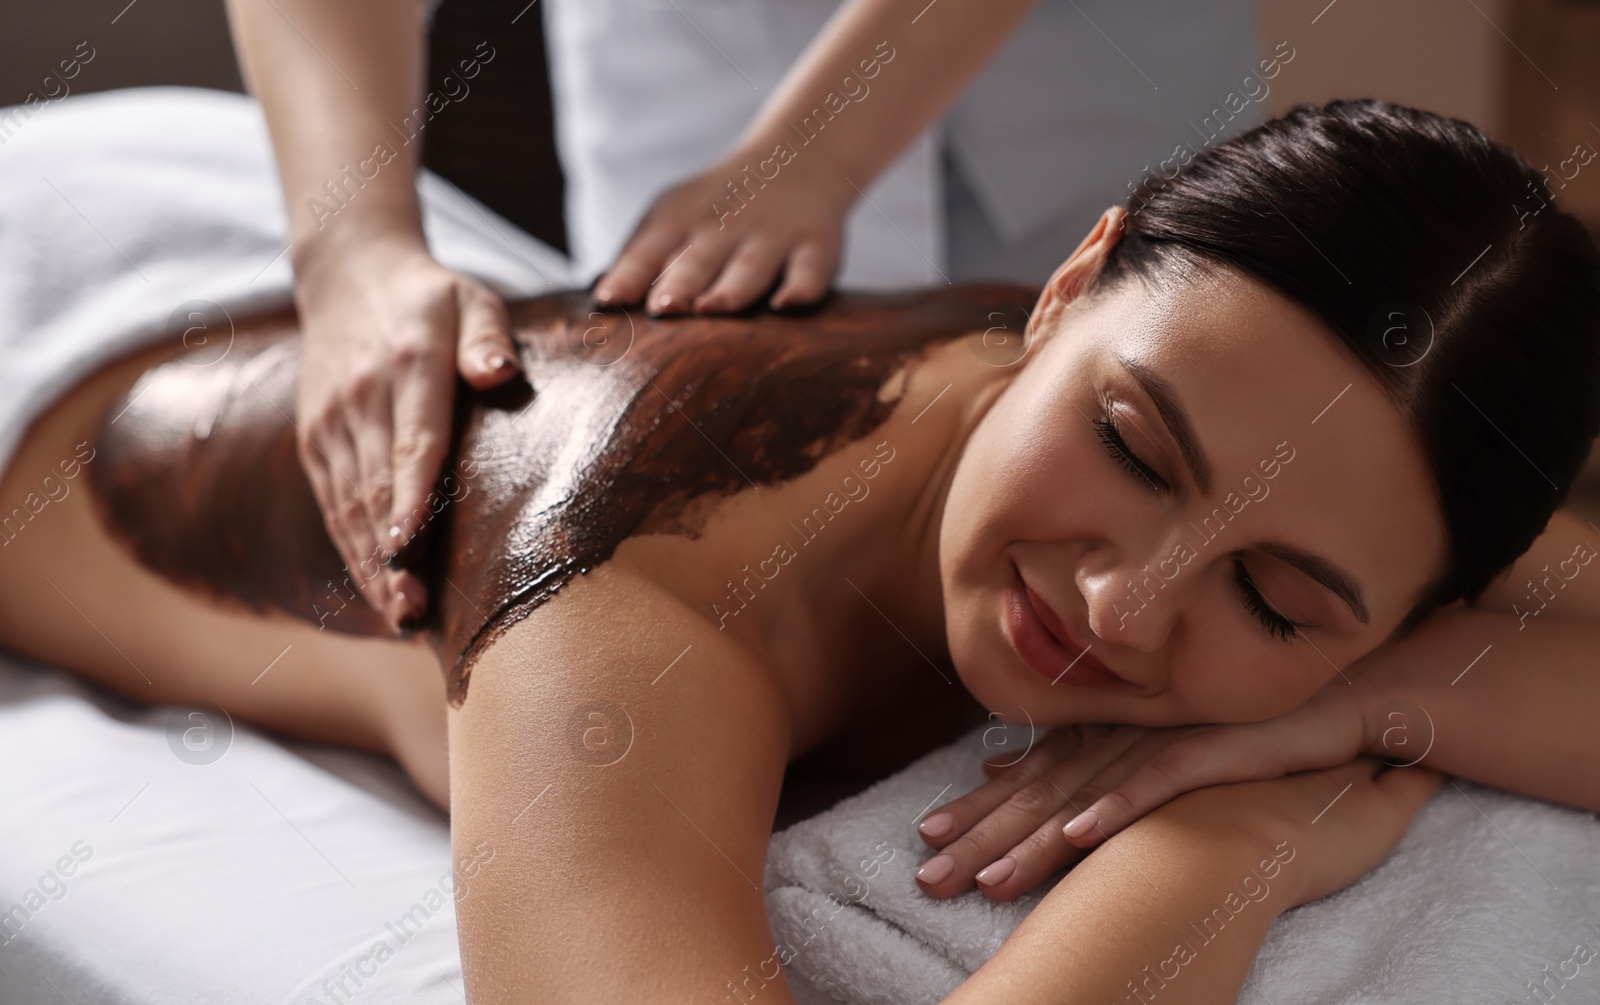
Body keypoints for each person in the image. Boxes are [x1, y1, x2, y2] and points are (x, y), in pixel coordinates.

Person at [4, 101, 1599, 1005]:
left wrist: (1386, 701)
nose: (1126, 604)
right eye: (1130, 444)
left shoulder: (1316, 438)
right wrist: (1226, 848)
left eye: (1278, 602)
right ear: (1070, 284)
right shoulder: (632, 606)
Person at [222, 0, 1263, 636]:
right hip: (684, 148)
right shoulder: (604, 590)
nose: (1123, 610)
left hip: (1088, 114)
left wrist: (819, 153)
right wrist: (352, 248)